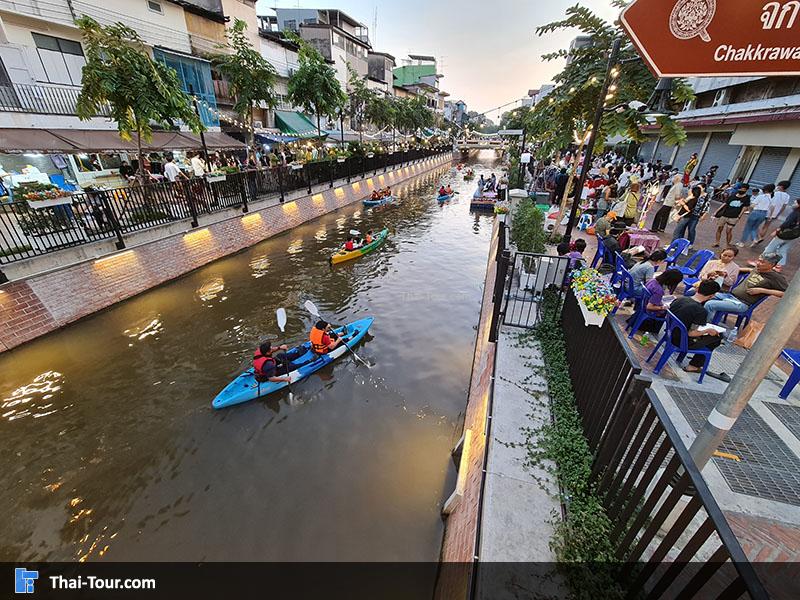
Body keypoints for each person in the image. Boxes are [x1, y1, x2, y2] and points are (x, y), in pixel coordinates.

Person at [703, 253, 787, 321]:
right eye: (759, 261)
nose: (758, 263)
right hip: (730, 296)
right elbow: (748, 270)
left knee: (710, 305)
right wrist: (728, 271)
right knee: (702, 293)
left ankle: (705, 327)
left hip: (742, 304)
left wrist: (763, 290)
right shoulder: (757, 269)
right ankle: (696, 320)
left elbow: (786, 294)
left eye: (762, 262)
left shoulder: (776, 277)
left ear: (771, 265)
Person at [668, 280, 723, 374]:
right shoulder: (700, 311)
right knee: (717, 338)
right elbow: (691, 333)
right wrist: (708, 330)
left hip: (670, 333)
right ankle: (693, 366)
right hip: (681, 341)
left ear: (698, 289)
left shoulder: (680, 299)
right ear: (711, 296)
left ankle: (691, 362)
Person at [631, 269, 684, 335]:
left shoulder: (652, 280)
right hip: (650, 310)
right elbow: (649, 307)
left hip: (642, 304)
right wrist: (663, 307)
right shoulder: (659, 291)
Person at [763, 197, 800, 270]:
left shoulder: (795, 213)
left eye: (795, 203)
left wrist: (777, 230)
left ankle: (762, 260)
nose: (793, 204)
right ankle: (779, 265)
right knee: (783, 249)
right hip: (794, 235)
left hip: (784, 234)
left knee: (771, 247)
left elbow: (787, 223)